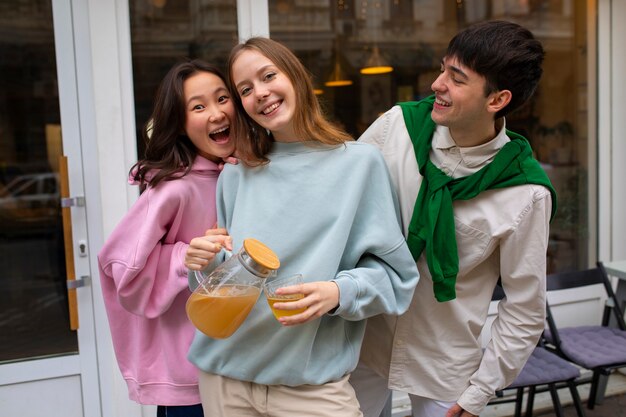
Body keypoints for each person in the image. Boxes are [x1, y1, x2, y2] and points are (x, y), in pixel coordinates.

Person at [183, 37, 419, 417]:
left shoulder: (359, 166)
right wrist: (204, 262)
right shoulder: (236, 175)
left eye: (268, 76)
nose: (260, 93)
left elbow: (396, 278)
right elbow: (226, 281)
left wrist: (338, 292)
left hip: (312, 388)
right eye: (245, 89)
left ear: (295, 76)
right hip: (225, 381)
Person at [349, 20, 557, 417]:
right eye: (443, 68)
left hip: (444, 365)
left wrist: (480, 390)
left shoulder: (525, 192)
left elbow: (525, 309)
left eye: (456, 78)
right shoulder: (397, 128)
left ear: (496, 100)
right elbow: (336, 200)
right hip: (362, 340)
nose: (436, 84)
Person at [97, 59, 237, 417]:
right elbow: (119, 267)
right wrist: (183, 257)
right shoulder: (173, 188)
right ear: (180, 124)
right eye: (199, 106)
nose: (217, 112)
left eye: (223, 98)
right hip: (191, 377)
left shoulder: (244, 173)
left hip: (243, 365)